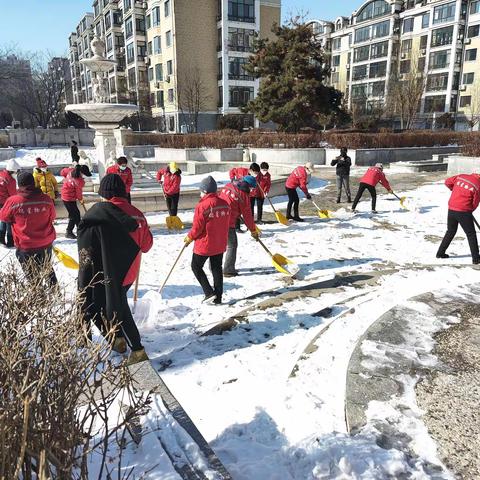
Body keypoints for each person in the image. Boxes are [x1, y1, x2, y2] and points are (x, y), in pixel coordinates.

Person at [77, 174, 153, 366]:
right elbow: (146, 245)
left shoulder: (95, 215)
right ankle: (118, 339)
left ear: (103, 194)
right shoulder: (137, 215)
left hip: (100, 271)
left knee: (112, 305)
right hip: (128, 272)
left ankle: (137, 349)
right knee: (115, 303)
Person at [0, 171, 57, 286]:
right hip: (46, 242)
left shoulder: (13, 201)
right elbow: (53, 216)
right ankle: (56, 294)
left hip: (25, 245)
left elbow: (3, 217)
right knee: (47, 268)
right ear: (34, 182)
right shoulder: (46, 199)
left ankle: (38, 298)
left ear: (19, 185)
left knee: (32, 276)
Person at [184, 176, 230, 304]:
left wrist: (189, 237)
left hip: (205, 243)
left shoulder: (203, 206)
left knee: (196, 266)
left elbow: (197, 228)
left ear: (204, 191)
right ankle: (218, 297)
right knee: (216, 268)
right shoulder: (225, 204)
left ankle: (209, 292)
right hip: (219, 242)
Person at [219, 175, 260, 277]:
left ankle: (214, 267)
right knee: (232, 245)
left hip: (216, 219)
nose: (251, 190)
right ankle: (228, 270)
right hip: (228, 222)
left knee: (218, 244)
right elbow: (248, 216)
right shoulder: (243, 196)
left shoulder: (228, 186)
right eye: (251, 188)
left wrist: (236, 211)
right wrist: (253, 230)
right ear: (247, 185)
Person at [436, 173, 480, 264]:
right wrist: (470, 209)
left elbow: (447, 182)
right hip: (464, 211)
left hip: (452, 208)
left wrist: (455, 190)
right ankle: (476, 258)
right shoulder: (478, 185)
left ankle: (440, 253)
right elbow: (475, 202)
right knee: (471, 234)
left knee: (450, 231)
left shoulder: (461, 176)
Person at [61, 164, 92, 239]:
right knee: (75, 215)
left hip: (65, 196)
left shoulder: (71, 171)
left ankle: (79, 231)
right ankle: (73, 232)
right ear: (81, 173)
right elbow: (78, 193)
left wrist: (67, 179)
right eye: (84, 175)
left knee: (74, 214)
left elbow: (62, 172)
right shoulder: (79, 181)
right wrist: (81, 199)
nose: (84, 177)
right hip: (69, 198)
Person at [230, 163, 260, 231]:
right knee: (238, 210)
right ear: (251, 170)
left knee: (249, 210)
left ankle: (249, 225)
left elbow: (255, 186)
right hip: (240, 194)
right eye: (255, 172)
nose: (256, 174)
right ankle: (237, 227)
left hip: (250, 195)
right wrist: (232, 179)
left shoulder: (256, 177)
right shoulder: (241, 170)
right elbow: (231, 171)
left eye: (257, 173)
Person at [0, 159, 19, 247]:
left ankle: (1, 239)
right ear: (13, 171)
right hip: (6, 203)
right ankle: (10, 241)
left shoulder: (1, 174)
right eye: (16, 172)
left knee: (2, 219)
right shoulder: (11, 180)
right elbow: (13, 195)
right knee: (9, 222)